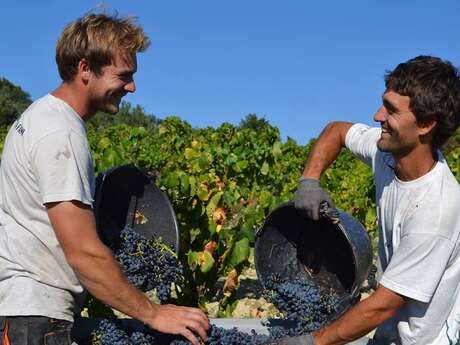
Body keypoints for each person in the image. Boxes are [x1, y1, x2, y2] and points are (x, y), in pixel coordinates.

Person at [0, 13, 209, 345]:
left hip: (27, 310)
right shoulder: (60, 134)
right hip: (35, 316)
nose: (132, 87)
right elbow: (84, 253)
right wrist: (155, 313)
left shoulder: (37, 116)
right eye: (123, 76)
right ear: (85, 69)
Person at [275, 56, 460, 345]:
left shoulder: (436, 210)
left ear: (425, 124)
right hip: (388, 332)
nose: (377, 116)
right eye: (382, 103)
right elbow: (337, 130)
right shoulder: (386, 153)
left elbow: (385, 303)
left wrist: (312, 342)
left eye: (391, 110)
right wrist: (310, 180)